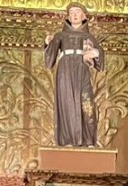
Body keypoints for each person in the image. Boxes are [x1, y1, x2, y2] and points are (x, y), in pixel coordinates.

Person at [44, 4, 104, 147]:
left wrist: (96, 53)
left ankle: (89, 140)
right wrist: (47, 43)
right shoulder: (60, 36)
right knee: (67, 103)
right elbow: (49, 60)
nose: (75, 15)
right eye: (71, 12)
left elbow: (99, 60)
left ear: (84, 16)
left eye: (78, 12)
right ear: (68, 16)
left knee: (87, 103)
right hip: (65, 72)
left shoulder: (89, 37)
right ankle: (68, 140)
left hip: (82, 71)